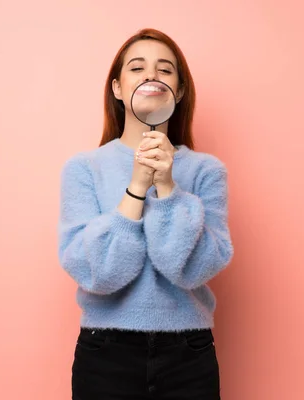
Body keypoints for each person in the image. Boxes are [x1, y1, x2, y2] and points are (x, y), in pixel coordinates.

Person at [58, 27, 234, 400]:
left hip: (189, 354)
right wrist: (137, 187)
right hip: (105, 354)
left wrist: (169, 188)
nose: (152, 76)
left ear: (180, 90)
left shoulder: (207, 171)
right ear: (118, 88)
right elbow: (97, 274)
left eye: (165, 69)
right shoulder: (83, 168)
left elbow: (194, 269)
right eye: (137, 68)